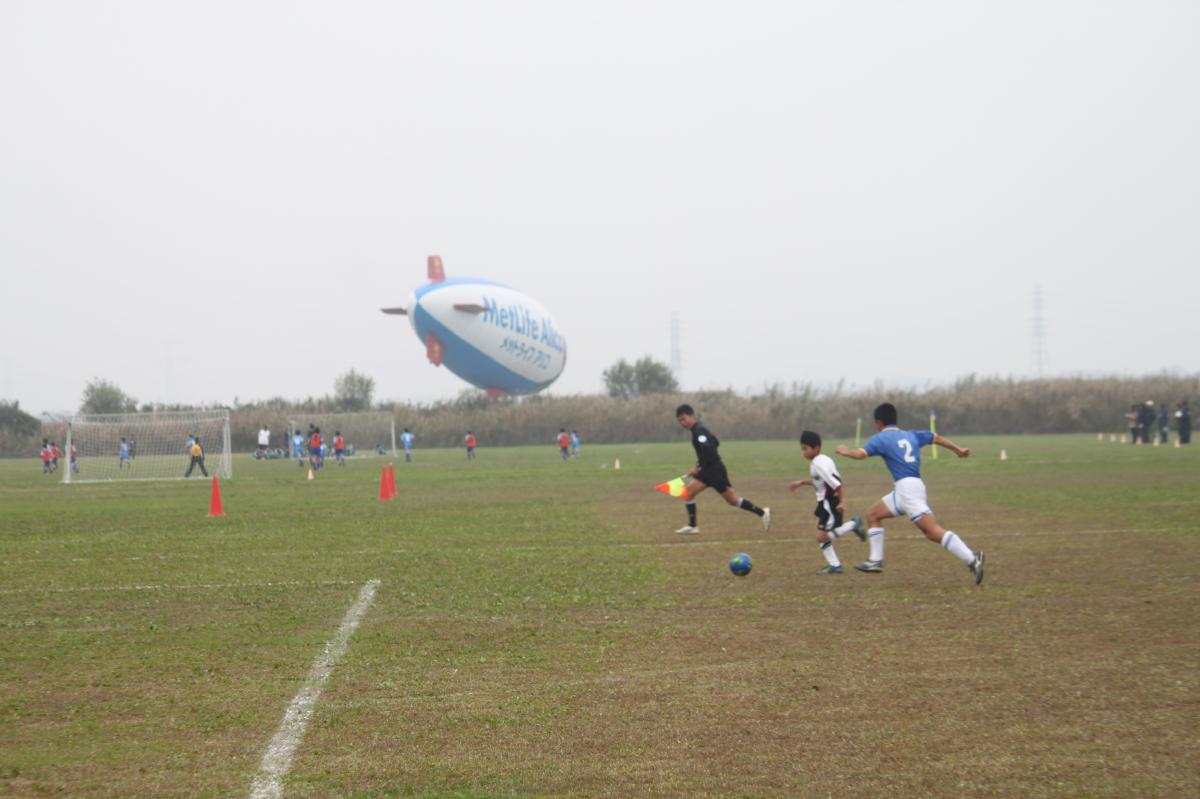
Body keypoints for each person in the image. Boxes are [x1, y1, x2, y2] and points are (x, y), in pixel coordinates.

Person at [835, 402, 985, 584]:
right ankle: (875, 561)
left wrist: (845, 452)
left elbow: (861, 454)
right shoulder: (911, 434)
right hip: (908, 488)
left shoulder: (881, 438)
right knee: (873, 514)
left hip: (907, 491)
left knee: (933, 532)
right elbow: (935, 437)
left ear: (878, 422)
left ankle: (972, 558)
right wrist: (958, 450)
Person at [673, 404, 770, 535]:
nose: (682, 423)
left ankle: (762, 512)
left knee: (733, 500)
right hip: (707, 470)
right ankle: (692, 526)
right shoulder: (699, 429)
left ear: (691, 416)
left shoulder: (699, 431)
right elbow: (715, 442)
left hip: (714, 471)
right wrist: (699, 466)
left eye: (684, 419)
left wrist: (697, 467)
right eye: (680, 421)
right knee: (688, 493)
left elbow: (709, 450)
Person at [788, 431, 864, 574]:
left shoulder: (818, 464)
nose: (803, 452)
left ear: (816, 448)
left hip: (829, 502)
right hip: (825, 501)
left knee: (821, 536)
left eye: (805, 449)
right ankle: (835, 565)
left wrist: (842, 502)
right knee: (821, 534)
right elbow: (820, 481)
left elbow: (837, 484)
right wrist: (802, 482)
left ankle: (853, 524)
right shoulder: (823, 460)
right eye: (802, 449)